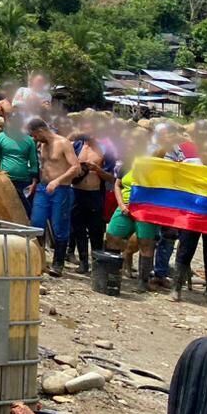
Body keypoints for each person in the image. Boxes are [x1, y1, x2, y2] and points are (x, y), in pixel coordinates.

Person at [26, 116, 80, 277]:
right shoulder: (42, 145)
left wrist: (58, 181)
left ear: (41, 131)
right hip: (43, 187)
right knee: (36, 222)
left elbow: (75, 167)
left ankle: (58, 263)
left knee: (59, 226)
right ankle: (38, 258)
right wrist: (35, 182)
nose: (34, 138)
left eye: (34, 135)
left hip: (61, 189)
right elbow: (43, 166)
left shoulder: (63, 143)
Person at [104, 159, 161, 291]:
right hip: (125, 207)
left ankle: (143, 282)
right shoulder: (128, 163)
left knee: (145, 244)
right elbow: (117, 185)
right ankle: (112, 275)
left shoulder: (157, 166)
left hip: (146, 210)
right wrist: (122, 205)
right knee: (112, 236)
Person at [70, 125, 117, 274]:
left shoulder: (106, 151)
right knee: (78, 229)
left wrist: (97, 169)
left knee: (96, 230)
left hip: (95, 194)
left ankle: (97, 262)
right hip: (77, 192)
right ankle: (83, 262)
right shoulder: (76, 146)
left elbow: (112, 178)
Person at [0, 115, 39, 217]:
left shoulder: (29, 141)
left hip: (24, 181)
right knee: (2, 208)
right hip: (4, 179)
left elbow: (34, 163)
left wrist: (34, 182)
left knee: (24, 210)